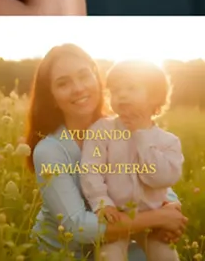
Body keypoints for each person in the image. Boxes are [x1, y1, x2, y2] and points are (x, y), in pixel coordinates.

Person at [26, 45, 187, 259]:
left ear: (97, 79)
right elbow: (77, 226)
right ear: (52, 97)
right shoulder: (50, 151)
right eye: (63, 83)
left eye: (84, 76)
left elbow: (147, 175)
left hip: (118, 238)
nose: (78, 88)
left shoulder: (125, 126)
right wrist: (158, 218)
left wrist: (171, 206)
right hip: (65, 253)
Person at [80, 60, 183, 261]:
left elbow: (161, 179)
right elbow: (90, 170)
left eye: (131, 88)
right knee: (109, 256)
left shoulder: (168, 141)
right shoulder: (101, 131)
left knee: (167, 256)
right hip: (116, 217)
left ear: (155, 96)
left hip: (153, 221)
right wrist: (102, 203)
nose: (122, 95)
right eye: (116, 90)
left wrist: (142, 134)